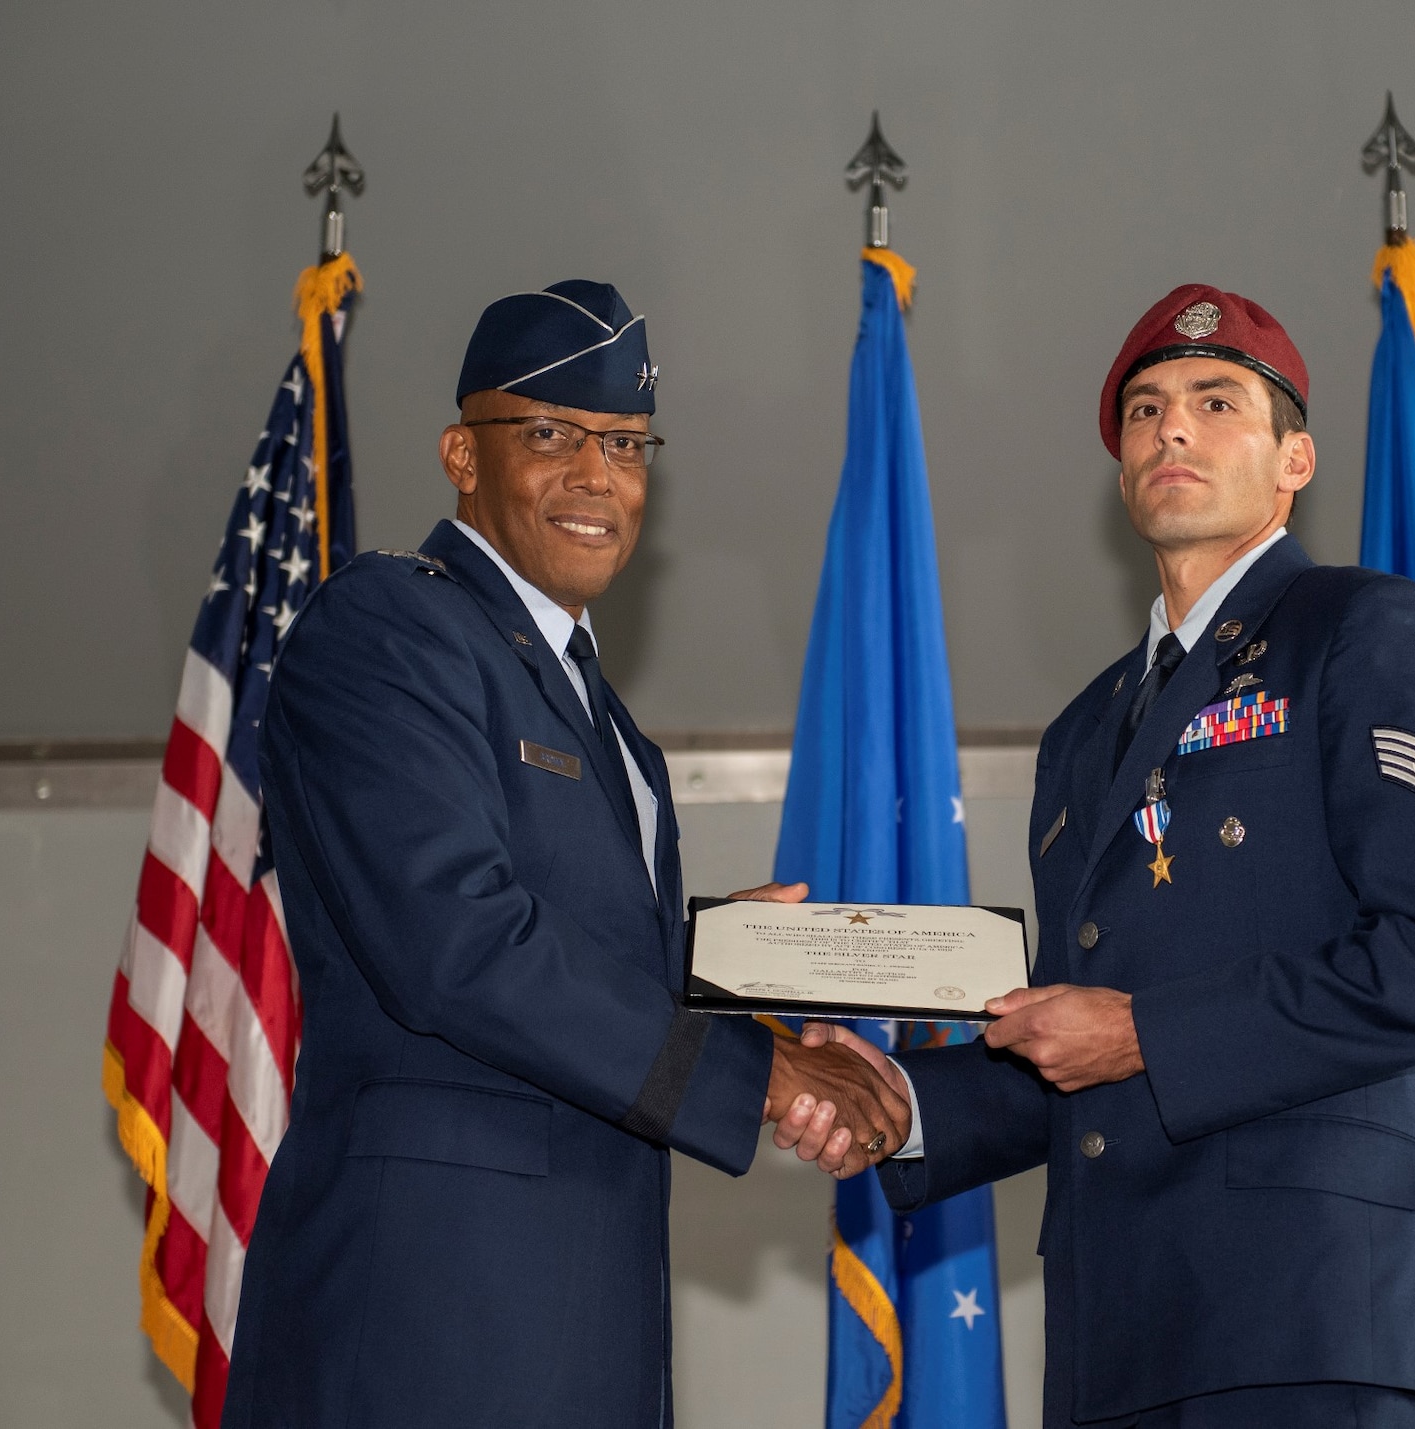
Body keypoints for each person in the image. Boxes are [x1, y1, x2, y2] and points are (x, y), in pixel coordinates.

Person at [789, 285, 1415, 1427]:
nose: (1168, 428)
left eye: (1212, 400)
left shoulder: (1365, 631)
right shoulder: (1084, 732)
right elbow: (1074, 1038)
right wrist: (902, 1098)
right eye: (1141, 410)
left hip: (1298, 1323)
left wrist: (1138, 1031)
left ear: (1295, 458)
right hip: (1112, 1341)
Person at [221, 281, 907, 1429]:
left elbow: (566, 937)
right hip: (423, 1325)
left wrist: (723, 963)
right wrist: (768, 1075)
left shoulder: (604, 718)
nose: (598, 475)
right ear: (460, 454)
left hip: (586, 1329)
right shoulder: (386, 626)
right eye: (548, 434)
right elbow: (458, 940)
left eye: (627, 445)